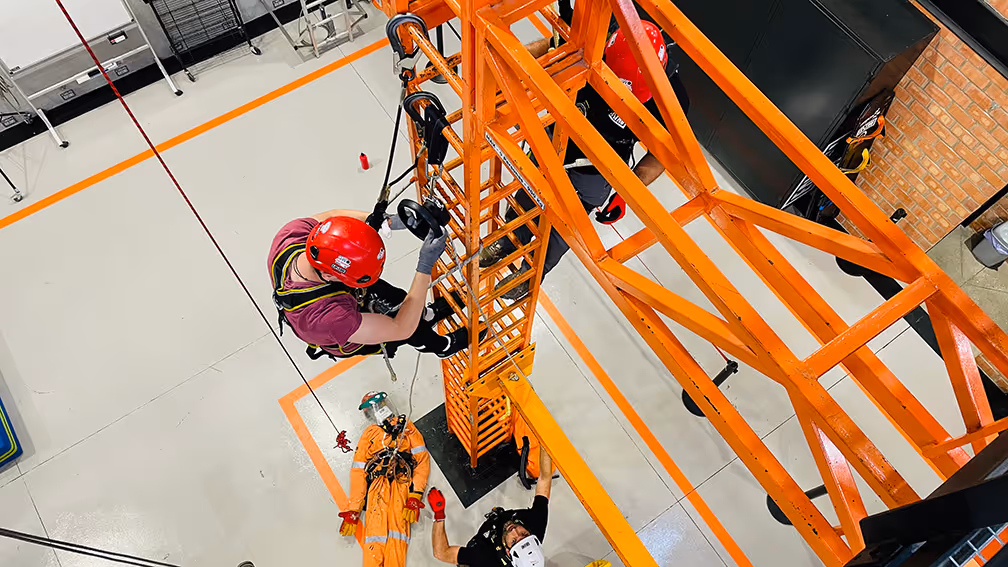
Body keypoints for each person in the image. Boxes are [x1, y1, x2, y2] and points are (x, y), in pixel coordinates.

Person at [480, 20, 690, 300]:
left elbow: (661, 155)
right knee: (528, 196)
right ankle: (507, 240)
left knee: (563, 227)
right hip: (556, 139)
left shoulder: (672, 100)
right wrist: (507, 70)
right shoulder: (595, 36)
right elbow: (550, 47)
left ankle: (532, 272)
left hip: (600, 167)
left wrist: (629, 191)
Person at [268, 208, 470, 360]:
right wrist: (425, 264)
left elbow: (334, 218)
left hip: (338, 294)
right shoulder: (329, 319)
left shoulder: (292, 235)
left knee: (398, 298)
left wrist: (391, 222)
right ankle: (441, 346)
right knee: (409, 326)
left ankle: (427, 315)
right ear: (331, 276)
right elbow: (400, 327)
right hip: (347, 334)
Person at [338, 392, 430, 567]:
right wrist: (354, 508)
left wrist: (415, 494)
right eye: (373, 410)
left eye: (381, 406)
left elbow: (422, 460)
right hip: (377, 487)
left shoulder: (407, 428)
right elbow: (358, 471)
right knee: (375, 536)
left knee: (397, 535)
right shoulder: (369, 434)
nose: (379, 412)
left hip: (401, 483)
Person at [428, 446, 554, 567]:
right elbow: (545, 478)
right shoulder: (536, 526)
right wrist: (544, 439)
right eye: (524, 534)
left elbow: (442, 553)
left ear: (508, 552)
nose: (515, 530)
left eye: (514, 541)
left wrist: (439, 515)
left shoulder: (487, 558)